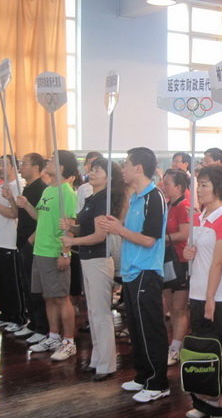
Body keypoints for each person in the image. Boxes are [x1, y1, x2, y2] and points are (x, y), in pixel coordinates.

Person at [97, 147, 169, 403]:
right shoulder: (136, 198)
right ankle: (143, 375)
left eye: (126, 164)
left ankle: (158, 383)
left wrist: (119, 229)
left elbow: (149, 240)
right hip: (131, 272)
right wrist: (116, 226)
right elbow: (132, 234)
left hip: (146, 272)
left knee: (150, 329)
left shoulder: (154, 197)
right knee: (136, 329)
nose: (123, 169)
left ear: (138, 168)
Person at [60, 158, 126, 381]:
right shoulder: (92, 198)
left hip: (98, 260)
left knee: (101, 313)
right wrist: (72, 227)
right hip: (88, 259)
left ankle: (107, 364)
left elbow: (99, 236)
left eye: (99, 170)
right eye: (93, 168)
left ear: (109, 177)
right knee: (93, 312)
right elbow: (87, 229)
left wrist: (73, 241)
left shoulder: (103, 200)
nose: (93, 172)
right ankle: (97, 359)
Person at [183, 165, 222, 418]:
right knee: (203, 351)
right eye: (199, 184)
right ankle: (204, 403)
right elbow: (199, 254)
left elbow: (218, 264)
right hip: (197, 293)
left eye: (205, 185)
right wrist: (189, 253)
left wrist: (209, 299)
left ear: (219, 188)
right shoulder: (201, 217)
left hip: (219, 297)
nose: (199, 189)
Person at [16, 151, 78, 361]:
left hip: (54, 251)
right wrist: (26, 205)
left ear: (61, 168)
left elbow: (70, 225)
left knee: (61, 297)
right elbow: (40, 216)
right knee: (48, 297)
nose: (48, 163)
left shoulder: (66, 192)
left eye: (52, 160)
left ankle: (69, 342)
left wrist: (65, 253)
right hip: (40, 250)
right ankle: (53, 336)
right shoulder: (48, 190)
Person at [11, 153, 49, 342]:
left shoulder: (42, 189)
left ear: (35, 167)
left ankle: (42, 327)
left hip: (33, 243)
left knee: (36, 288)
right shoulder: (28, 188)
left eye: (24, 164)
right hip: (24, 242)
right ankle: (33, 323)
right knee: (27, 285)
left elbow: (43, 219)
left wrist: (30, 241)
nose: (20, 167)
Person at [161, 169, 191, 367]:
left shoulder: (184, 206)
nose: (163, 186)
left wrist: (160, 239)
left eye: (167, 183)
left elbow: (184, 234)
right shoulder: (168, 205)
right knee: (171, 306)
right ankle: (174, 343)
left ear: (179, 187)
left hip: (181, 260)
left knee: (179, 307)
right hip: (167, 260)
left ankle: (176, 347)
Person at [0, 155, 25, 331]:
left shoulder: (18, 186)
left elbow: (14, 213)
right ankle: (5, 314)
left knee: (11, 282)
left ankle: (17, 317)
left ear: (13, 166)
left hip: (8, 241)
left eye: (4, 164)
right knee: (0, 282)